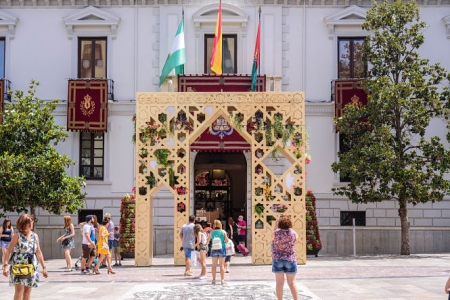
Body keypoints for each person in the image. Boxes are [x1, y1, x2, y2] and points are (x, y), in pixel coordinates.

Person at [2, 214, 48, 300]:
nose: (31, 225)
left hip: (31, 266)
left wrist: (44, 267)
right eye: (28, 223)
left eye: (31, 222)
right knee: (19, 292)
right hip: (19, 266)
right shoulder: (17, 236)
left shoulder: (35, 236)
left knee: (27, 291)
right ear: (23, 223)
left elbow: (38, 252)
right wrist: (5, 266)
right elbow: (8, 251)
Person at [272, 215, 299, 300]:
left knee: (279, 283)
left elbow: (271, 238)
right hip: (290, 259)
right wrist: (290, 229)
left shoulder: (276, 233)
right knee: (292, 283)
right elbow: (296, 238)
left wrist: (276, 226)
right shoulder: (293, 234)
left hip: (278, 259)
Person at [207, 219, 229, 285]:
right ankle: (222, 280)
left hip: (214, 249)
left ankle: (213, 280)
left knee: (214, 265)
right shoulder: (223, 232)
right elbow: (227, 240)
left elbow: (207, 241)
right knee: (221, 265)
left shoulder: (212, 232)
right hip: (222, 248)